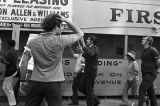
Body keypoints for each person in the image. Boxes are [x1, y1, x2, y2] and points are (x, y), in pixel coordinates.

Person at [19, 13, 84, 106]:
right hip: (54, 84)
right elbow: (80, 33)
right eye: (61, 26)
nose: (62, 28)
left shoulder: (32, 41)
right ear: (56, 27)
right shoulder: (61, 40)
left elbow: (24, 62)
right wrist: (66, 20)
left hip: (36, 82)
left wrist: (22, 81)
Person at [138, 35, 160, 106]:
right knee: (151, 92)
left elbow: (158, 61)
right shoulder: (144, 50)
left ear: (148, 41)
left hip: (150, 73)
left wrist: (158, 69)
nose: (142, 40)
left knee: (142, 89)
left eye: (144, 39)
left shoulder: (153, 50)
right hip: (145, 74)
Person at [80, 35, 100, 106]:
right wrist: (82, 52)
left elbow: (91, 54)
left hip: (91, 71)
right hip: (87, 71)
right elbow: (87, 56)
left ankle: (91, 103)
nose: (86, 40)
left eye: (88, 39)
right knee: (82, 87)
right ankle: (95, 100)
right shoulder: (89, 48)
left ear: (92, 41)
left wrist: (83, 45)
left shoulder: (94, 48)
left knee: (89, 89)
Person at [2, 40, 19, 106]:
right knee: (5, 88)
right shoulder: (14, 52)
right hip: (13, 71)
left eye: (8, 44)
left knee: (8, 89)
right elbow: (9, 61)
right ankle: (13, 102)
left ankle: (13, 104)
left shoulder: (11, 52)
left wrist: (3, 58)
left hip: (10, 72)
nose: (7, 46)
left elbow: (7, 62)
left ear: (9, 45)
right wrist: (4, 57)